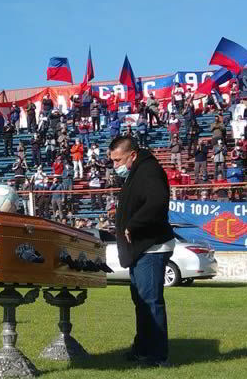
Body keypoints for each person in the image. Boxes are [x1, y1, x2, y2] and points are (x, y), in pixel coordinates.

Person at [109, 135, 175, 367]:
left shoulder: (149, 171)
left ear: (133, 155)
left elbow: (157, 202)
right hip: (141, 249)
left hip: (152, 247)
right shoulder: (137, 172)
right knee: (141, 301)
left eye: (118, 160)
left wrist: (134, 224)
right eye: (113, 161)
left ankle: (157, 356)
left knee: (150, 301)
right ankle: (143, 349)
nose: (115, 166)